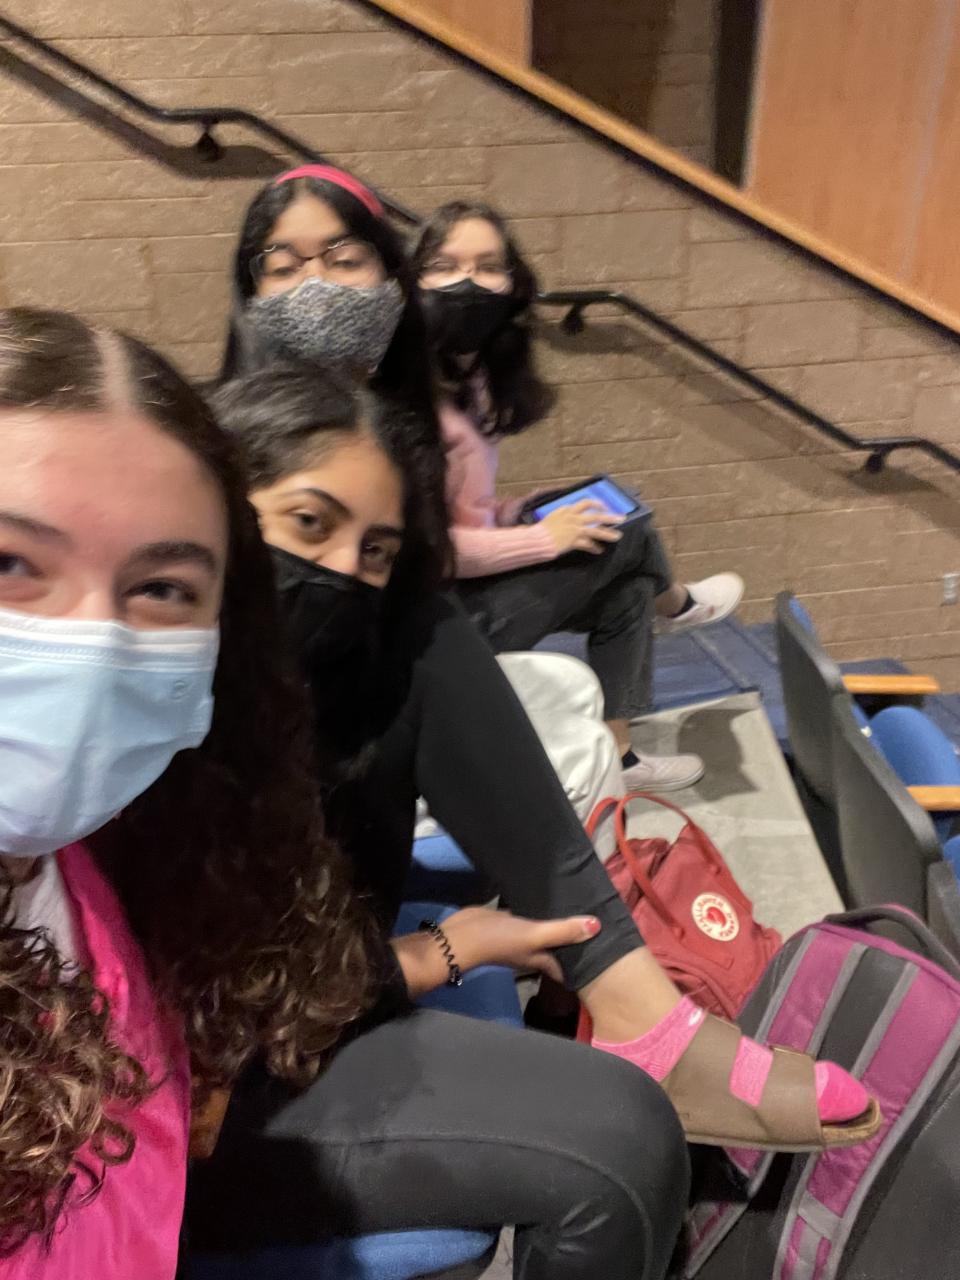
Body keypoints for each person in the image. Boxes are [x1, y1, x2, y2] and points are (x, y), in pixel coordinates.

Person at [0, 306, 690, 1280]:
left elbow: (237, 992)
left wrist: (437, 951)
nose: (92, 643)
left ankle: (631, 994)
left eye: (160, 587)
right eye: (12, 563)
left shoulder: (84, 866)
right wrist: (443, 951)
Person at [210, 358, 881, 1159]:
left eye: (376, 550)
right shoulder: (154, 731)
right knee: (618, 1166)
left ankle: (637, 1006)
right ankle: (638, 1014)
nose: (342, 572)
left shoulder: (310, 670)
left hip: (328, 959)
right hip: (227, 1080)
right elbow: (229, 1007)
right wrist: (444, 953)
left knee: (432, 630)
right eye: (309, 523)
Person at [413, 200, 747, 792]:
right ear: (412, 280)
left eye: (487, 266)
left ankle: (620, 760)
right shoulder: (405, 400)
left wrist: (518, 511)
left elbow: (462, 509)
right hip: (438, 620)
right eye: (445, 266)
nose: (468, 284)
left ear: (513, 284)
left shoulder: (472, 379)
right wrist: (544, 539)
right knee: (629, 532)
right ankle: (678, 605)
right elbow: (427, 550)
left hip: (470, 588)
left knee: (626, 578)